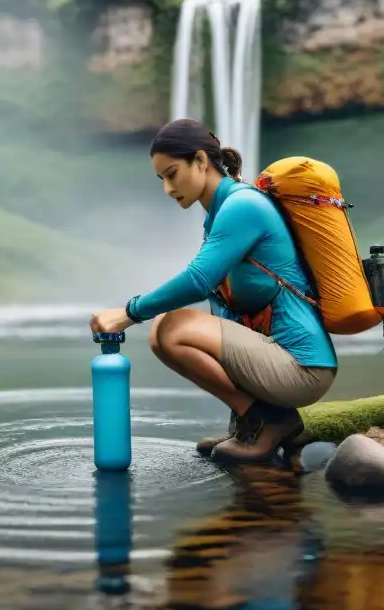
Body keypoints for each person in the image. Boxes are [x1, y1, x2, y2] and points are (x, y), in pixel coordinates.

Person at [88, 118, 338, 464]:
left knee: (170, 327)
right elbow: (225, 311)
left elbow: (197, 281)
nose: (167, 188)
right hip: (276, 361)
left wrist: (129, 313)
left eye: (172, 174)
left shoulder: (242, 206)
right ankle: (249, 425)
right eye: (161, 179)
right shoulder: (220, 213)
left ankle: (270, 421)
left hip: (302, 367)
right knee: (167, 330)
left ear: (202, 162)